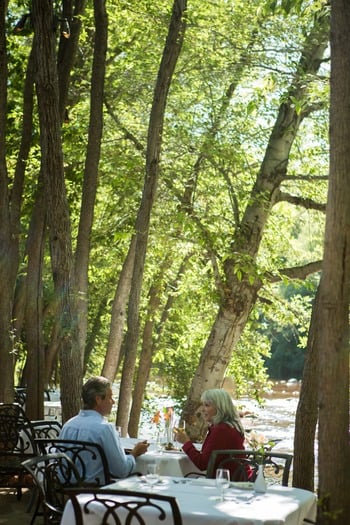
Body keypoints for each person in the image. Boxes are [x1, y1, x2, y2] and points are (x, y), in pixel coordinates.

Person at [59, 376, 148, 482]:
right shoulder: (104, 428)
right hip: (97, 492)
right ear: (98, 399)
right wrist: (134, 453)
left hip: (66, 487)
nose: (113, 402)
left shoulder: (68, 425)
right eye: (110, 397)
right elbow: (121, 470)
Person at [174, 388, 251, 479]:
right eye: (202, 405)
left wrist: (186, 442)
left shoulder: (222, 431)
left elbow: (202, 464)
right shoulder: (229, 426)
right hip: (239, 477)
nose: (202, 409)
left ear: (220, 408)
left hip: (230, 483)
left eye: (207, 405)